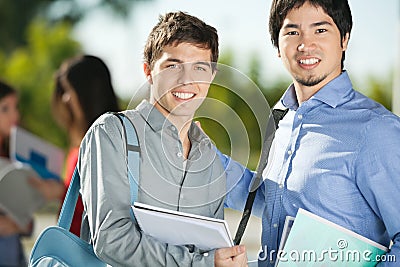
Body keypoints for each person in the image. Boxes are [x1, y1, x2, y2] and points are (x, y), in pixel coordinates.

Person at [218, 0, 400, 266]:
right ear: (278, 47)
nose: (305, 44)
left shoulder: (377, 129)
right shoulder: (282, 118)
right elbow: (273, 200)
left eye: (320, 30)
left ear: (344, 39)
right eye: (292, 32)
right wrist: (200, 155)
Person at [77, 11, 247, 266]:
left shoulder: (210, 157)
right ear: (148, 71)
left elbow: (208, 246)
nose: (186, 80)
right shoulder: (113, 133)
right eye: (172, 66)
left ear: (211, 76)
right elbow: (110, 239)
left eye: (199, 67)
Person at [30, 55, 120, 237]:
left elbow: (109, 205)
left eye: (68, 90)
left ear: (88, 93)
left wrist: (60, 192)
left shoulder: (110, 143)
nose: (65, 99)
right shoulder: (78, 146)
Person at [0, 80, 31, 266]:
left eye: (15, 107)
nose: (14, 114)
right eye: (5, 108)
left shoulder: (14, 157)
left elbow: (26, 220)